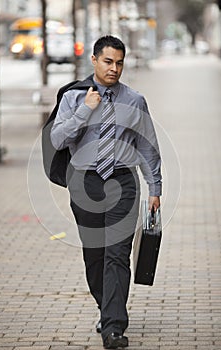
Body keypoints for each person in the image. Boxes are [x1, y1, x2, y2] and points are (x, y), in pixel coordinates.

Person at [50, 35, 162, 349]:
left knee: (117, 254)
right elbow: (57, 140)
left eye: (119, 63)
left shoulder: (135, 100)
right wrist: (84, 111)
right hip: (86, 184)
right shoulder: (74, 98)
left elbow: (148, 147)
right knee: (95, 256)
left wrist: (155, 188)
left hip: (124, 183)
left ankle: (113, 327)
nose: (114, 69)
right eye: (108, 61)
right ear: (95, 60)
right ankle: (106, 308)